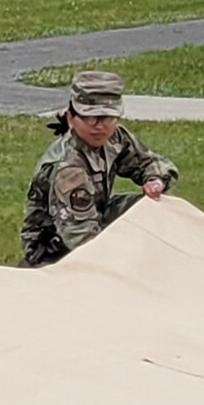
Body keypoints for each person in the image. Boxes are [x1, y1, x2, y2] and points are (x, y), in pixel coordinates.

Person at [20, 71, 178, 266]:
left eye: (107, 118)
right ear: (71, 118)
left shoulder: (114, 137)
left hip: (96, 218)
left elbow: (149, 163)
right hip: (55, 251)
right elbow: (81, 238)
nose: (99, 126)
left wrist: (155, 180)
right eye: (90, 118)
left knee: (159, 205)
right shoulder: (68, 169)